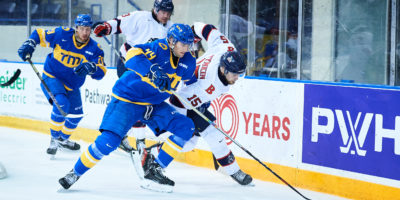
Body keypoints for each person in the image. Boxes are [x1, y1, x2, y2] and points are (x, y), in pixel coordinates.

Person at [58, 23, 196, 192]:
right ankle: (75, 173)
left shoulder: (189, 61)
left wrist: (203, 101)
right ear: (172, 40)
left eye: (189, 44)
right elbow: (132, 54)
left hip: (153, 105)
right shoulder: (159, 47)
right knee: (109, 142)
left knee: (186, 127)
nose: (186, 48)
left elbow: (191, 85)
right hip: (127, 99)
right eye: (183, 44)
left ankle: (154, 168)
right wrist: (151, 69)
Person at [125, 22, 253, 186]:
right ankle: (154, 159)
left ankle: (153, 152)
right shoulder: (209, 86)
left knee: (205, 139)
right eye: (235, 74)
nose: (237, 78)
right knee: (196, 139)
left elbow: (205, 27)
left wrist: (193, 37)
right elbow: (177, 99)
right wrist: (199, 104)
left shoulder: (226, 48)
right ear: (224, 70)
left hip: (193, 91)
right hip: (184, 100)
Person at [17, 14, 106, 158]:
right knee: (62, 104)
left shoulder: (95, 48)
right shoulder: (62, 34)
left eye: (88, 29)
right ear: (76, 28)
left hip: (72, 85)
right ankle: (54, 138)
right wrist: (31, 43)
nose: (85, 32)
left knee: (76, 116)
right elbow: (39, 34)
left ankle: (62, 140)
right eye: (82, 28)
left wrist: (91, 68)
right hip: (52, 76)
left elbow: (102, 71)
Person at [92, 0, 174, 77]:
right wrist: (106, 27)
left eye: (168, 13)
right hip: (128, 62)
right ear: (156, 10)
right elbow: (120, 22)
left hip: (149, 67)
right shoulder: (141, 16)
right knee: (127, 90)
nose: (166, 16)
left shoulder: (171, 27)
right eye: (163, 12)